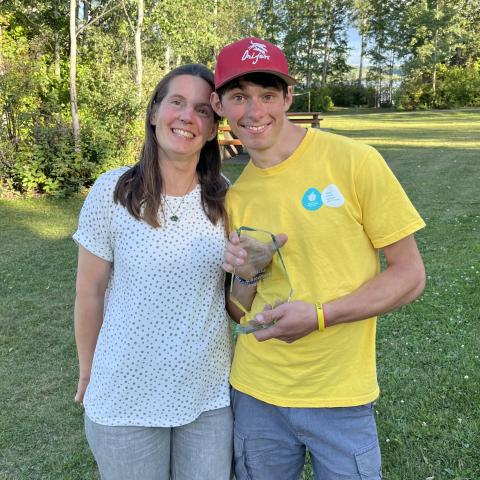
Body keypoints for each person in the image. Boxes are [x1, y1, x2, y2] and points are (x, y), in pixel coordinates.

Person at [211, 37, 426, 480]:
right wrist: (250, 270)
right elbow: (238, 309)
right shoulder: (236, 197)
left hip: (340, 397)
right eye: (239, 97)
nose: (254, 112)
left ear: (288, 96)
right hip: (256, 395)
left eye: (268, 95)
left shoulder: (355, 162)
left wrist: (321, 316)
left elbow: (410, 276)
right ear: (218, 105)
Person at [73, 64, 232, 480]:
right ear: (153, 112)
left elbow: (237, 300)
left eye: (202, 110)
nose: (187, 117)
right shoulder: (113, 191)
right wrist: (88, 371)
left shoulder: (227, 200)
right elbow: (89, 292)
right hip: (125, 394)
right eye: (176, 102)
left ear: (213, 129)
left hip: (206, 395)